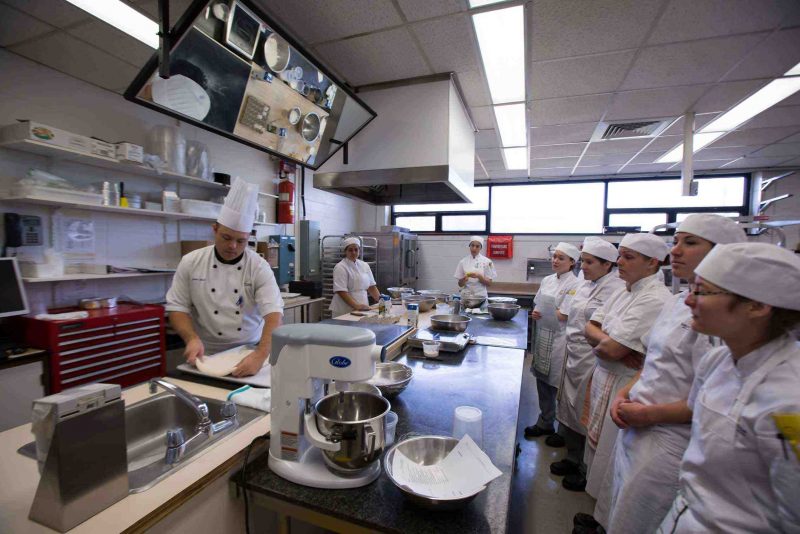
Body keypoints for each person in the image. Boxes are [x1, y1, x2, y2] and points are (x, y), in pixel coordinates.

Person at [588, 215, 745, 534]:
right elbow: (653, 362)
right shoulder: (678, 303)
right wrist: (625, 394)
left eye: (689, 243)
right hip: (636, 419)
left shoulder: (720, 318)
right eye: (676, 241)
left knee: (639, 516)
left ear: (724, 253)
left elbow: (712, 399)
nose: (676, 251)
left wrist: (647, 413)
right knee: (619, 500)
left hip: (669, 438)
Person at [657, 242, 800, 533]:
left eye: (703, 292)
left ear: (757, 306)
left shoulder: (790, 400)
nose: (688, 301)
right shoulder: (717, 360)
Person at [579, 233, 672, 498]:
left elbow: (610, 349)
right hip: (606, 374)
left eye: (628, 257)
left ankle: (599, 514)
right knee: (597, 451)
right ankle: (592, 500)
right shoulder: (623, 289)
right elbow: (590, 327)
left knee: (610, 454)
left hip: (624, 384)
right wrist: (608, 342)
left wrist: (608, 344)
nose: (620, 261)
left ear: (652, 263)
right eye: (621, 255)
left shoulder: (654, 298)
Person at [166, 177, 284, 377]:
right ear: (215, 229)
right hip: (206, 353)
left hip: (251, 350)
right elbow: (177, 308)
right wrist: (191, 338)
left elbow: (273, 315)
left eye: (241, 241)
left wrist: (261, 354)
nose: (233, 246)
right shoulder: (191, 262)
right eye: (226, 238)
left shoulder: (258, 267)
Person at [551, 237, 625, 491]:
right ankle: (572, 457)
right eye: (583, 261)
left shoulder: (616, 289)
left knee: (588, 412)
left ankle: (586, 469)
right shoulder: (584, 285)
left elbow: (608, 330)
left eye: (589, 262)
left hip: (594, 359)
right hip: (573, 354)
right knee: (570, 407)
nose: (583, 266)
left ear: (607, 265)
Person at [525, 242, 580, 439]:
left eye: (561, 258)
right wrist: (537, 313)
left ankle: (562, 430)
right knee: (542, 380)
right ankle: (545, 422)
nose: (555, 261)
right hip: (543, 336)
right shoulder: (547, 280)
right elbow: (538, 303)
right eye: (554, 257)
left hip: (559, 339)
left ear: (572, 262)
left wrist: (546, 311)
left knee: (557, 385)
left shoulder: (575, 284)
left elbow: (564, 315)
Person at [329, 237, 380, 317]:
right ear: (345, 251)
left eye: (356, 250)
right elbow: (341, 291)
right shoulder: (340, 267)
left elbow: (371, 287)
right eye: (350, 250)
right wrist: (356, 306)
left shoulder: (364, 265)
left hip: (362, 306)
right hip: (344, 309)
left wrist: (382, 302)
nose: (353, 252)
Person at [454, 236, 497, 301]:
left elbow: (489, 284)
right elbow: (460, 284)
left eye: (477, 246)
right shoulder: (463, 262)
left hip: (481, 297)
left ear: (480, 248)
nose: (474, 248)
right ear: (469, 246)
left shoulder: (487, 262)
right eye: (472, 245)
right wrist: (463, 280)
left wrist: (479, 276)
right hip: (466, 296)